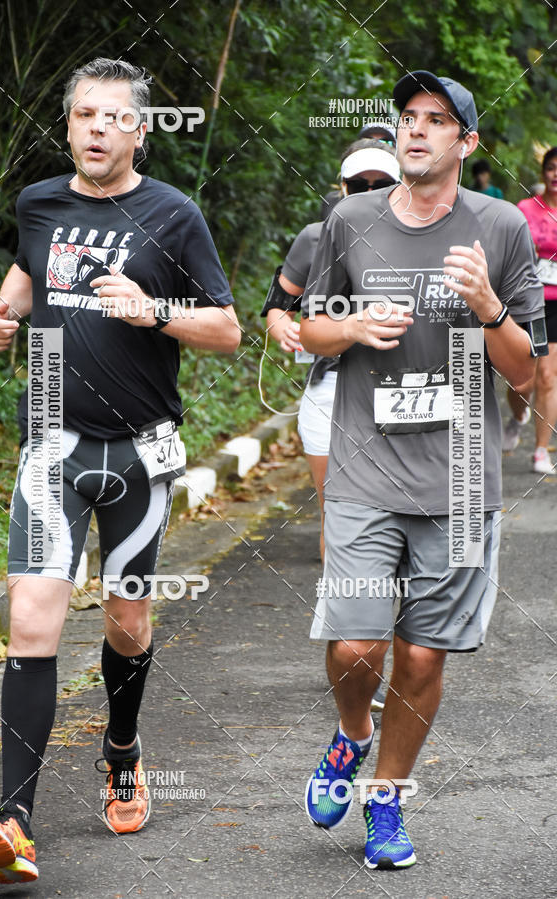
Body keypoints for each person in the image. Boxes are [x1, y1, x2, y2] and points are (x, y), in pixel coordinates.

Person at [0, 58, 239, 886]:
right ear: (70, 123)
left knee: (126, 620)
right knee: (32, 617)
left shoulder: (173, 214)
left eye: (113, 117)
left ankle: (121, 747)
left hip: (139, 451)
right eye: (84, 114)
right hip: (51, 440)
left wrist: (153, 310)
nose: (96, 128)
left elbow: (227, 328)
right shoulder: (40, 202)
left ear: (139, 131)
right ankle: (14, 818)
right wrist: (3, 315)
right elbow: (27, 269)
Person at [300, 70, 544, 869]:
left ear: (465, 142)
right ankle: (353, 731)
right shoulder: (351, 219)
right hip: (365, 465)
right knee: (356, 646)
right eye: (408, 116)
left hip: (462, 476)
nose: (415, 129)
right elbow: (306, 327)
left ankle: (386, 798)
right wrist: (350, 327)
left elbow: (525, 371)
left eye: (436, 119)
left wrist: (488, 308)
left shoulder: (500, 226)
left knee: (423, 654)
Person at [263, 140, 400, 713]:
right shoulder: (316, 237)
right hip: (330, 395)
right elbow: (277, 304)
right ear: (340, 190)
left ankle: (384, 652)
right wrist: (282, 327)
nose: (368, 194)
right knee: (337, 518)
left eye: (380, 185)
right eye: (358, 186)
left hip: (400, 403)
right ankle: (354, 652)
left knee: (401, 525)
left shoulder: (424, 239)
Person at [503, 147, 557, 471]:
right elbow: (512, 251)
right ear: (543, 172)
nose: (556, 174)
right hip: (530, 302)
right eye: (551, 167)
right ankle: (518, 414)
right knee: (522, 381)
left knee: (548, 377)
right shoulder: (525, 209)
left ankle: (540, 451)